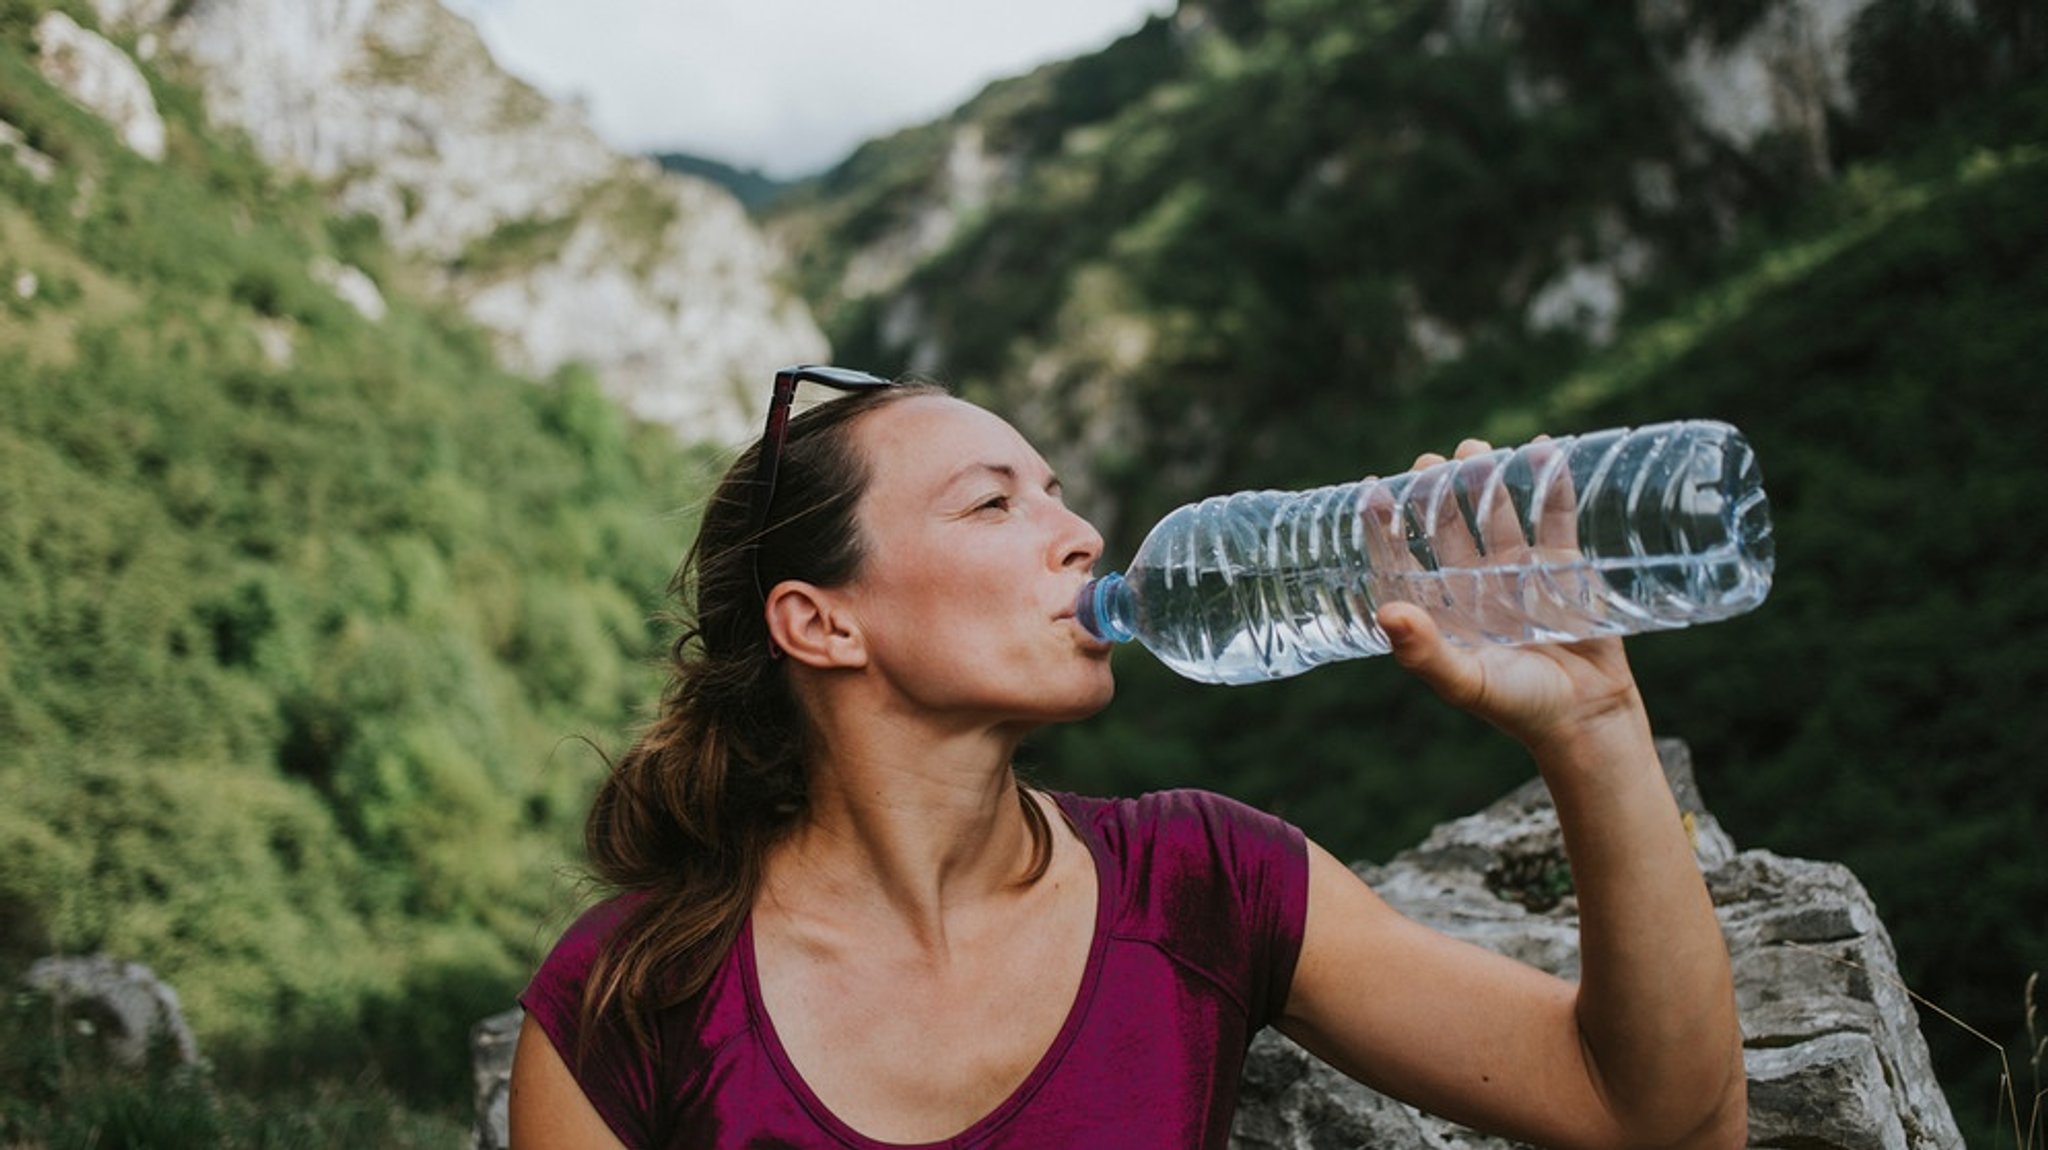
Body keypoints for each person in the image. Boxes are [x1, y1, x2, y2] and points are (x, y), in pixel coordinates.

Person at [508, 366, 1748, 1149]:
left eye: (1055, 492)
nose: (1083, 533)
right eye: (995, 503)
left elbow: (1656, 1116)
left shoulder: (1202, 877)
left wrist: (1591, 730)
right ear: (822, 622)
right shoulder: (630, 1000)